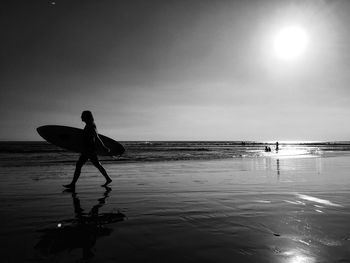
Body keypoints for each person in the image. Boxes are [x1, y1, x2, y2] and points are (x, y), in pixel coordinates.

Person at [63, 111, 112, 188]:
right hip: (88, 149)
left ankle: (73, 184)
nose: (81, 117)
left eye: (82, 115)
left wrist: (103, 147)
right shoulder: (88, 125)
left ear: (86, 117)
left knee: (79, 165)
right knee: (97, 165)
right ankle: (108, 179)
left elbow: (97, 137)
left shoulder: (91, 126)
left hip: (89, 150)